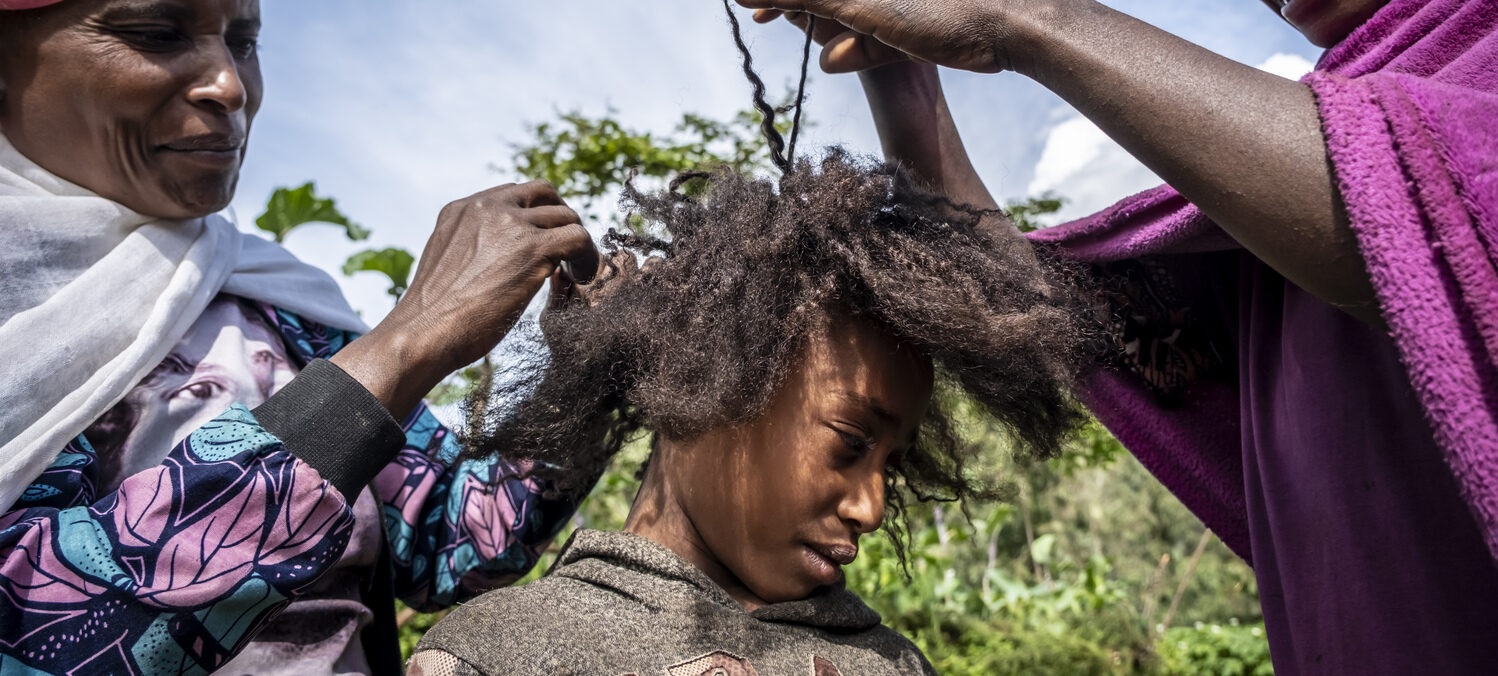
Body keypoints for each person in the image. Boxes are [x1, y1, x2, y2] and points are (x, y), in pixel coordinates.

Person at [739, 0, 1498, 672]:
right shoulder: (1271, 232)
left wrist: (1024, 17)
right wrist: (901, 75)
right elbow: (1033, 310)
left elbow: (1418, 217)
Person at [0, 0, 600, 674]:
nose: (229, 85)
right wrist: (408, 340)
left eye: (244, 41)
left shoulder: (284, 304)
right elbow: (28, 628)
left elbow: (448, 541)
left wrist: (588, 364)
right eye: (155, 34)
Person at [406, 142, 1091, 675]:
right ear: (707, 383)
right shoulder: (494, 652)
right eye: (851, 440)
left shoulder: (896, 664)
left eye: (893, 463)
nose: (872, 509)